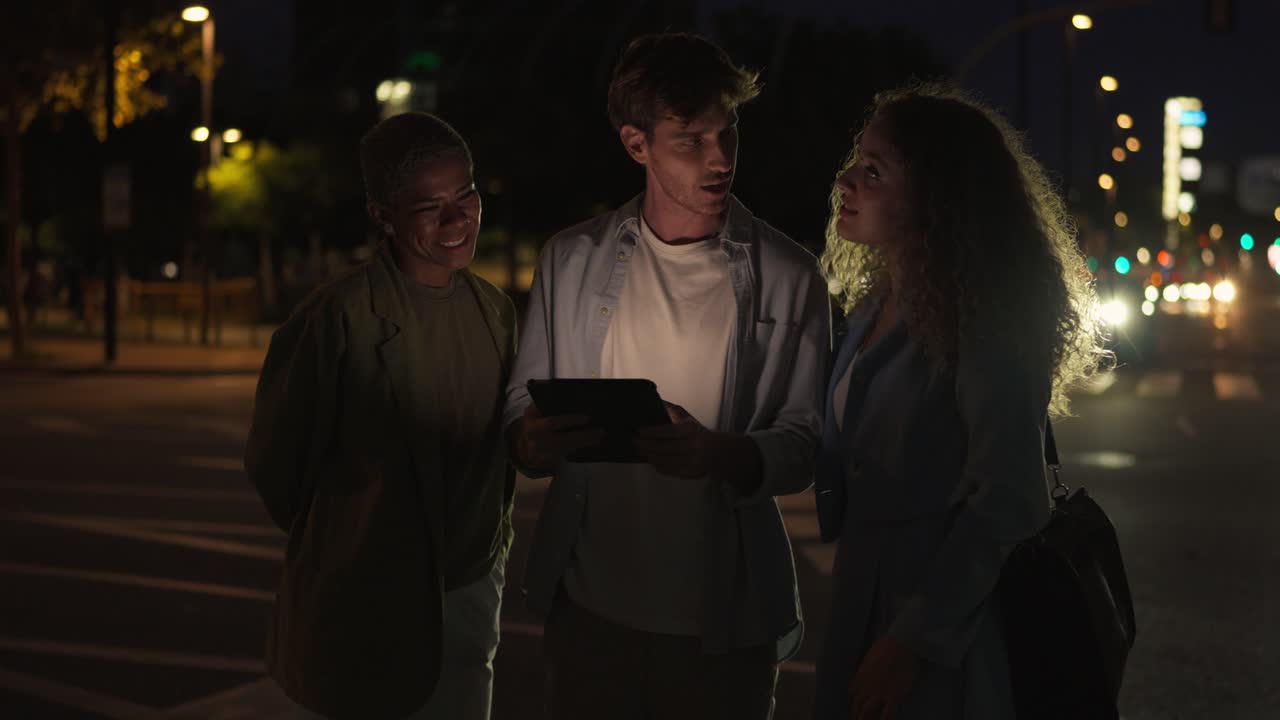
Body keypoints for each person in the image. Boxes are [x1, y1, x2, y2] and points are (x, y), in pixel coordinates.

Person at [502, 32, 831, 720]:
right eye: (690, 140)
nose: (720, 160)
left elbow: (807, 441)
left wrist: (723, 453)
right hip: (591, 612)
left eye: (729, 132)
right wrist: (530, 441)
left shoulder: (791, 274)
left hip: (727, 621)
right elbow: (519, 412)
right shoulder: (571, 259)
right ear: (636, 144)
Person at [812, 83, 1109, 719]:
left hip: (945, 634)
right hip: (864, 605)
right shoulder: (874, 305)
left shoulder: (983, 320)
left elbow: (1010, 497)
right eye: (853, 162)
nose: (845, 181)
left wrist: (912, 641)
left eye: (873, 170)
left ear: (934, 194)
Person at [245, 112, 518, 720]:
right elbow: (277, 464)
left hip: (471, 590)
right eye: (429, 205)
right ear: (381, 214)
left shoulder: (495, 310)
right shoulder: (338, 318)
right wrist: (354, 540)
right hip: (369, 596)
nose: (457, 218)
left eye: (466, 194)